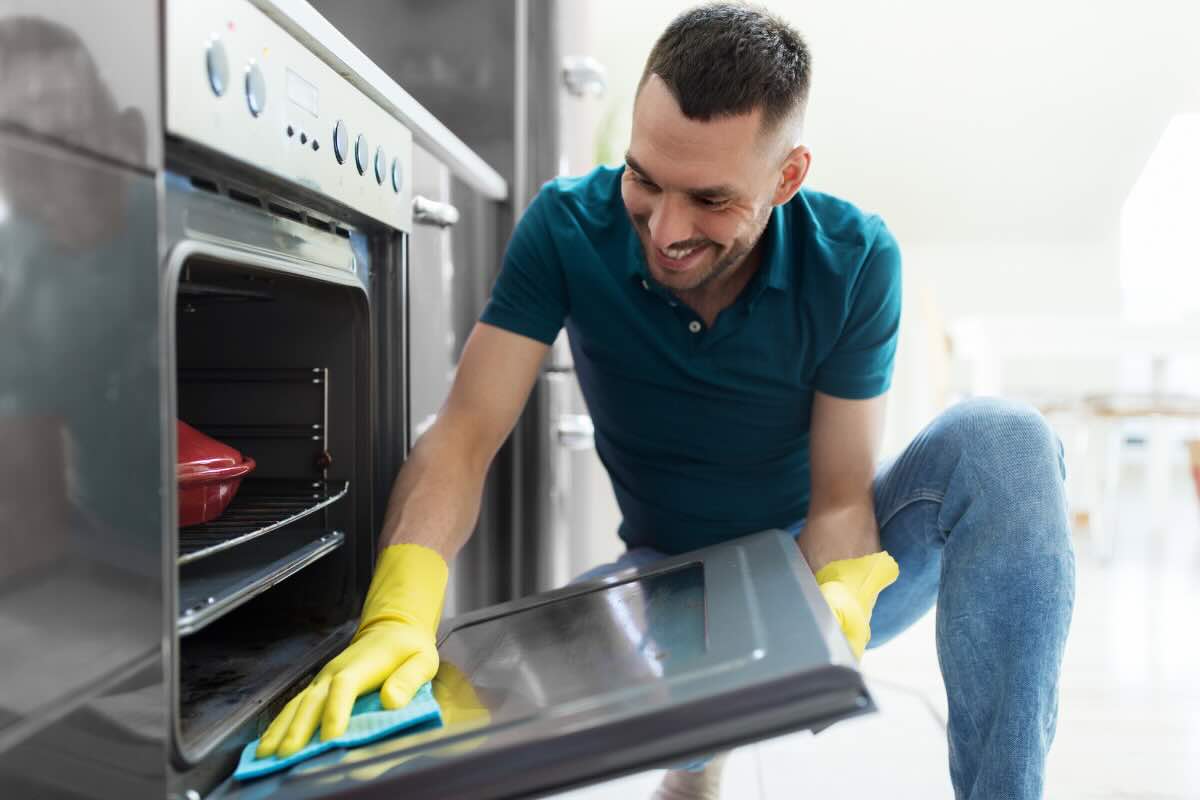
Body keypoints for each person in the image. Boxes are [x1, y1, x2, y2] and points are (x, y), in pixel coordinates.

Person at [256, 4, 1075, 798]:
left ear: (787, 177)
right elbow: (464, 436)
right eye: (644, 180)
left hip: (815, 567)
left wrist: (821, 614)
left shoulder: (854, 259)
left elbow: (838, 502)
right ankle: (696, 756)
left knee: (1007, 440)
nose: (666, 229)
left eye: (712, 200)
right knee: (453, 753)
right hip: (663, 584)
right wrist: (398, 613)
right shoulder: (566, 228)